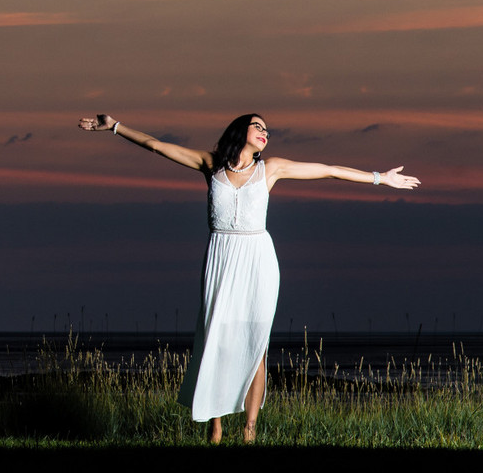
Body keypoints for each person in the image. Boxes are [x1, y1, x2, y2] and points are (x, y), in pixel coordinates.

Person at [76, 112, 419, 443]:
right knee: (217, 340)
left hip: (258, 259)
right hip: (222, 256)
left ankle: (250, 431)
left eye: (267, 129)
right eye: (258, 126)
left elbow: (328, 171)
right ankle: (216, 425)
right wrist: (114, 127)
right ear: (240, 131)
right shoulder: (210, 165)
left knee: (257, 346)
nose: (265, 132)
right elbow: (156, 145)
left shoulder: (270, 168)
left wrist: (379, 178)